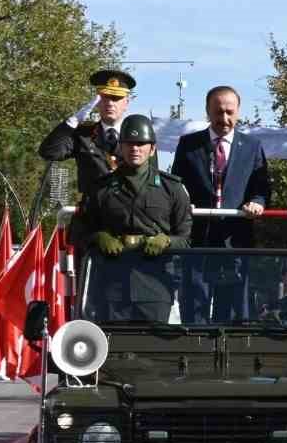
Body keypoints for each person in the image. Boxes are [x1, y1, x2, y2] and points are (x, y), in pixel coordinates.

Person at [73, 114, 192, 323]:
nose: (134, 149)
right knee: (110, 349)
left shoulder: (171, 188)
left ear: (152, 148)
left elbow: (186, 237)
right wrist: (98, 237)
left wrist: (167, 241)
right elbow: (78, 231)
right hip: (111, 285)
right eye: (129, 143)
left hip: (155, 287)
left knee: (155, 350)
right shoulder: (101, 188)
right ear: (120, 146)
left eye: (141, 143)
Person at [170, 85, 269, 247]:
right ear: (208, 111)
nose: (224, 118)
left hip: (237, 236)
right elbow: (176, 183)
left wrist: (257, 202)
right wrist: (184, 202)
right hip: (197, 236)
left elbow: (261, 186)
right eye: (218, 112)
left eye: (229, 112)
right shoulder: (188, 144)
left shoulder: (253, 146)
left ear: (238, 111)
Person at [39, 69, 137, 200]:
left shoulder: (138, 136)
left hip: (128, 210)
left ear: (126, 103)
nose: (109, 103)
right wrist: (72, 122)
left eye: (116, 98)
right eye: (104, 97)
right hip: (91, 212)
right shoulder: (83, 134)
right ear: (97, 102)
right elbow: (49, 152)